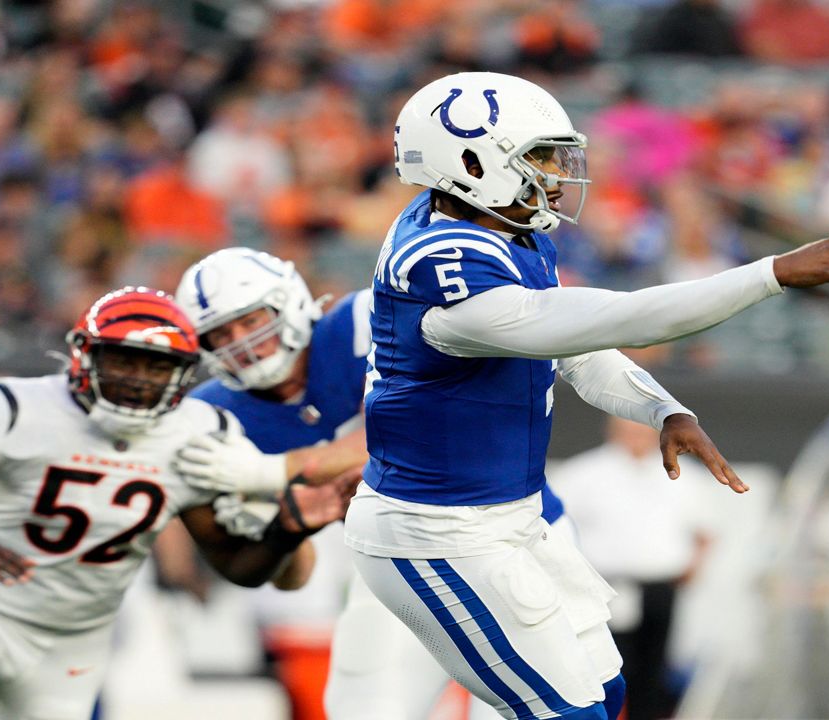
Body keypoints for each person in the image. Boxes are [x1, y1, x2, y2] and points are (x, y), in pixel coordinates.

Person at [346, 70, 829, 719]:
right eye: (536, 158)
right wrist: (772, 272)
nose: (554, 174)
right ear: (469, 164)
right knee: (569, 713)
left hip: (512, 514)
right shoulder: (441, 268)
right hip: (436, 532)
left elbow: (573, 348)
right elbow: (623, 319)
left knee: (607, 697)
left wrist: (661, 407)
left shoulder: (502, 231)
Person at [0, 287, 350, 720]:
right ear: (84, 354)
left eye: (157, 367)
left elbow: (237, 567)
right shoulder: (20, 406)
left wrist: (288, 530)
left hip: (76, 634)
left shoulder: (195, 434)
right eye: (123, 361)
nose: (138, 379)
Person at [172, 247, 563, 719]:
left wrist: (274, 470)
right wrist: (284, 527)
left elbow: (419, 424)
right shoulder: (211, 417)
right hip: (398, 566)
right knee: (365, 709)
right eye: (221, 334)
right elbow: (283, 575)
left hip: (519, 539)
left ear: (288, 301)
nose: (240, 342)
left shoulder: (366, 320)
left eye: (251, 321)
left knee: (549, 705)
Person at [549, 417, 711, 720]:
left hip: (661, 586)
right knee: (606, 666)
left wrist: (694, 566)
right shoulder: (583, 473)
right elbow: (555, 527)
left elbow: (704, 529)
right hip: (605, 588)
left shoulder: (684, 475)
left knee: (656, 665)